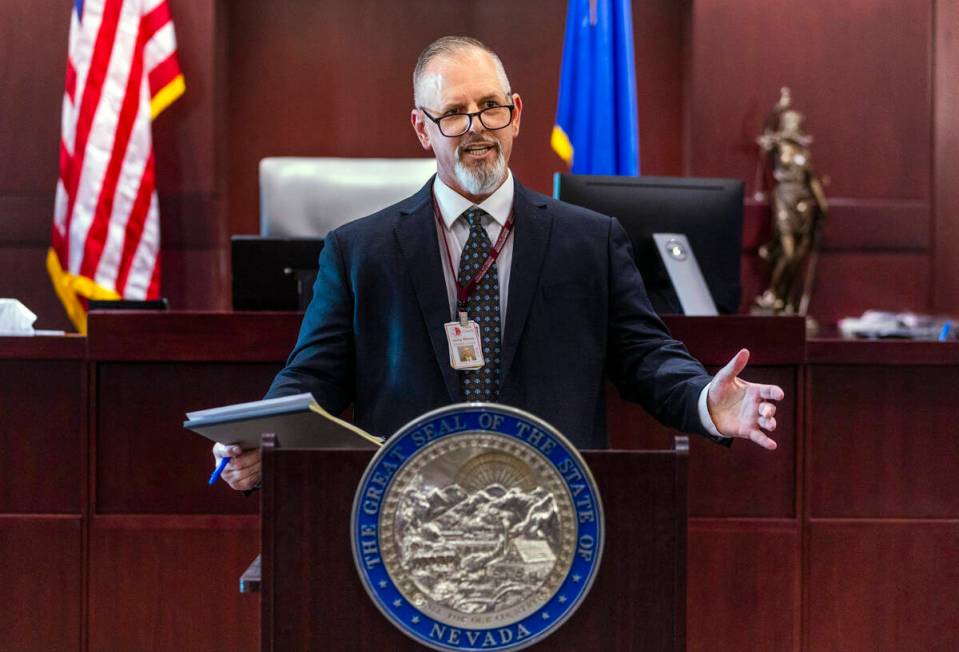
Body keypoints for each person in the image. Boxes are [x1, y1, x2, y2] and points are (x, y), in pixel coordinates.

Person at [214, 36, 784, 491]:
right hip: (409, 512)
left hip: (554, 506)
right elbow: (313, 376)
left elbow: (645, 356)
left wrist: (705, 400)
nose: (476, 128)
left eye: (489, 107)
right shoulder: (360, 249)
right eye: (454, 114)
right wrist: (259, 435)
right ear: (422, 128)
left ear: (514, 114)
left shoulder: (589, 240)